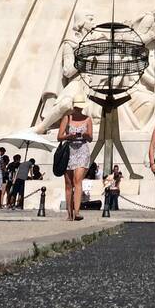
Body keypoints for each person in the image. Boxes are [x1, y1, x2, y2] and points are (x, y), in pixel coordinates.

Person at [58, 93, 94, 222]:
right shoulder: (67, 118)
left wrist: (85, 135)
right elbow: (59, 136)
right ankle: (69, 213)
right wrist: (69, 136)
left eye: (80, 107)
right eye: (77, 107)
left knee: (77, 181)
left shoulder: (88, 119)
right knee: (68, 184)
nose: (78, 109)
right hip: (69, 151)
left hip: (82, 150)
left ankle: (77, 212)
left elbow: (91, 138)